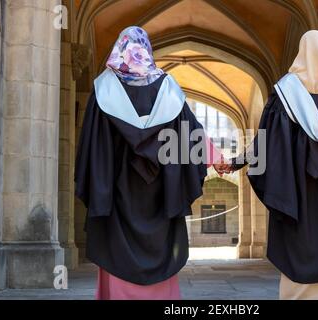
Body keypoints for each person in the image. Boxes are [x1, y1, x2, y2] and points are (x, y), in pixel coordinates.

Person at [217, 30, 318, 300]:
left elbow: (265, 144)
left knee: (298, 256)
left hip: (297, 200)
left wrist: (236, 162)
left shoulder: (284, 96)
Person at [75, 26, 222, 300]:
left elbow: (90, 148)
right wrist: (216, 159)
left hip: (116, 197)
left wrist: (98, 186)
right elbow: (192, 132)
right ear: (146, 50)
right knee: (160, 253)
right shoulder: (168, 90)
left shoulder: (103, 90)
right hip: (160, 194)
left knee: (117, 254)